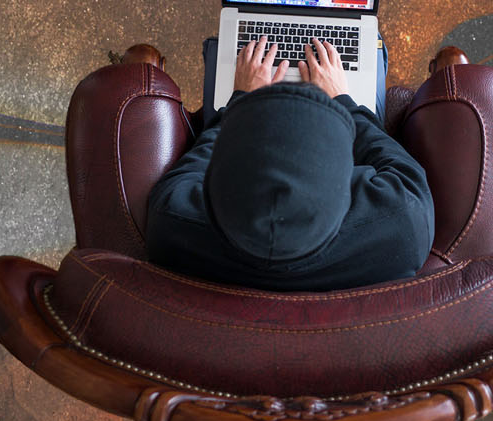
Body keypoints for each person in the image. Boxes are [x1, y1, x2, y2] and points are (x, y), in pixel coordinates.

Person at [141, 37, 433, 291]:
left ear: (213, 185)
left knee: (219, 53)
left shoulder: (171, 222)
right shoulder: (404, 223)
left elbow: (195, 162)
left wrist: (242, 98)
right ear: (348, 183)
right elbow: (392, 157)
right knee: (375, 50)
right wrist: (342, 100)